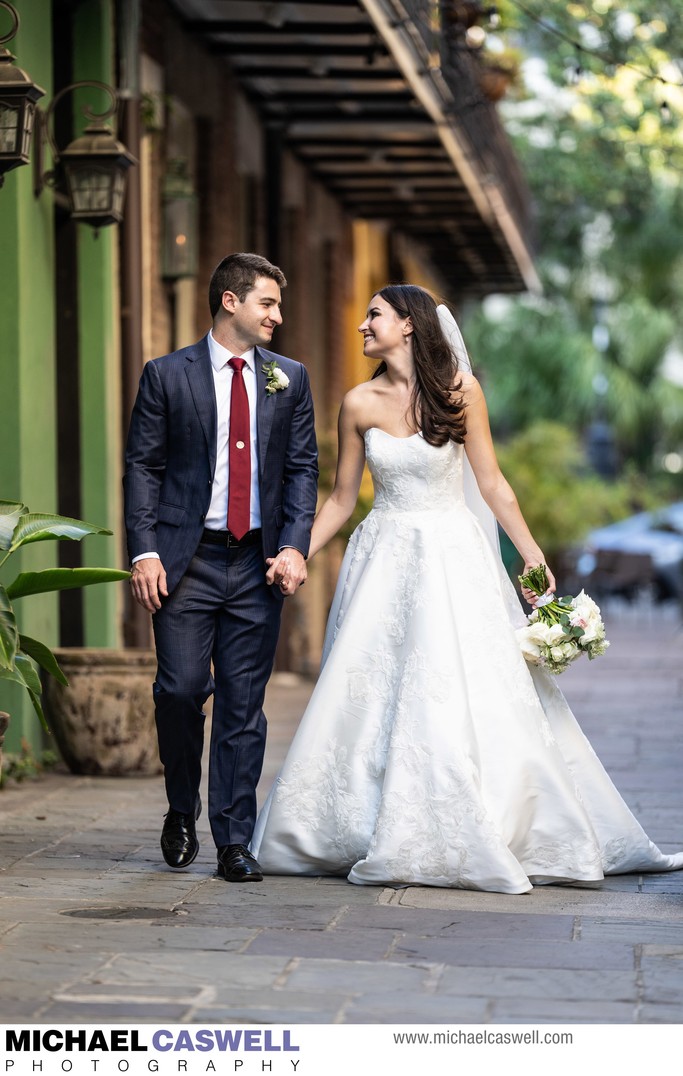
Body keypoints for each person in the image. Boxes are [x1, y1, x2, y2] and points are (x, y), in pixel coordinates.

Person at [250, 283, 683, 893]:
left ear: (408, 325)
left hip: (452, 557)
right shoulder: (357, 403)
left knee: (455, 686)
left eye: (374, 316)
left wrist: (532, 555)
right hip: (383, 559)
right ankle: (349, 825)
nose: (362, 326)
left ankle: (484, 817)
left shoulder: (460, 393)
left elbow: (493, 484)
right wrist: (296, 551)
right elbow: (343, 499)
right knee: (372, 689)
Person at [123, 252, 318, 882]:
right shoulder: (166, 375)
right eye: (268, 303)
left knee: (243, 705)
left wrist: (294, 544)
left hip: (258, 563)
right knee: (179, 690)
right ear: (230, 301)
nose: (277, 317)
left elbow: (301, 470)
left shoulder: (290, 378)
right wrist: (145, 550)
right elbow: (143, 467)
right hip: (188, 562)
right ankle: (181, 807)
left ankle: (234, 840)